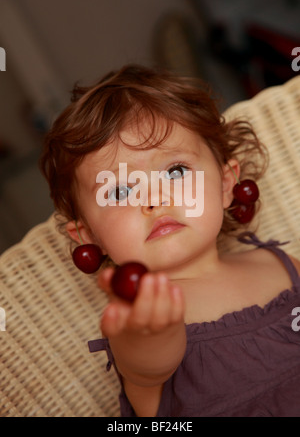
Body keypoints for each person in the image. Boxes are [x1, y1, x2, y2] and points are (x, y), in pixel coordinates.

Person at [40, 64, 300, 417]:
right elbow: (147, 369)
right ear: (88, 235)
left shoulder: (282, 266)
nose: (153, 199)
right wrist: (151, 337)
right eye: (119, 191)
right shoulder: (142, 320)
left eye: (175, 171)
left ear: (226, 185)